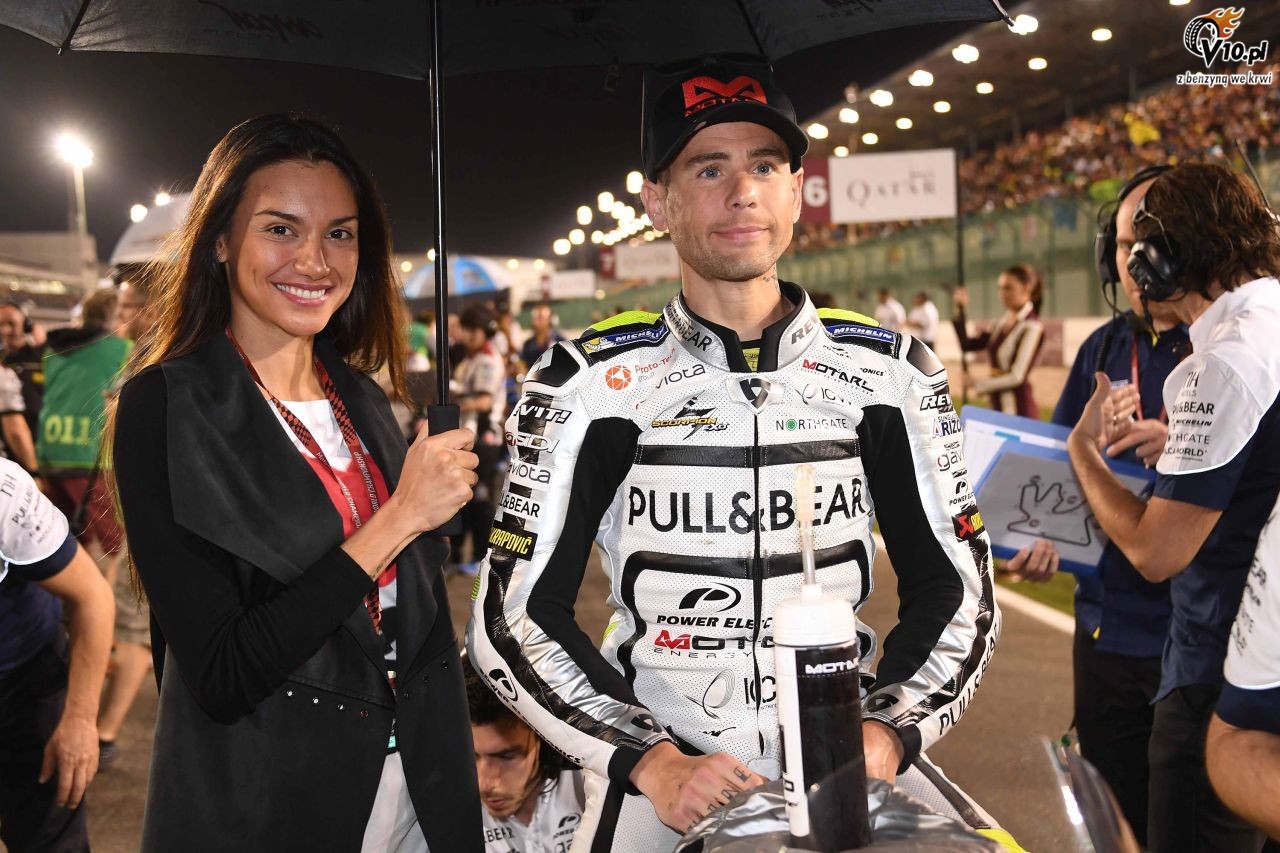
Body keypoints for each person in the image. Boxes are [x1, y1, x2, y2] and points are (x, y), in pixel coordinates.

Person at [469, 56, 1005, 853]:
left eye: (764, 166)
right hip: (664, 778)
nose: (742, 191)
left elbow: (957, 587)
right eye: (709, 167)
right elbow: (510, 615)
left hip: (849, 756)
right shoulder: (587, 385)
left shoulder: (894, 374)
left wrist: (886, 733)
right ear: (658, 201)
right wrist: (651, 760)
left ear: (797, 189)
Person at [110, 114, 482, 852]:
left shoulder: (363, 397)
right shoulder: (167, 406)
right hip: (271, 801)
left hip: (416, 792)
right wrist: (401, 516)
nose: (315, 261)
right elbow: (224, 671)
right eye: (281, 229)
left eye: (340, 233)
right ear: (220, 240)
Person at [1066, 163, 1280, 852]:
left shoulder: (1223, 360)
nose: (1132, 264)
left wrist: (1084, 452)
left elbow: (1157, 552)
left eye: (1142, 244)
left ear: (1168, 255)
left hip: (1224, 675)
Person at [1007, 165, 1183, 846]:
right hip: (1108, 639)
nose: (1137, 263)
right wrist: (1036, 544)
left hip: (1201, 643)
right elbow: (1051, 477)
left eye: (1153, 243)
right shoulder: (1101, 349)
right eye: (1125, 245)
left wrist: (1185, 446)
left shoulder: (1237, 349)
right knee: (1119, 828)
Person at [0, 457, 114, 852]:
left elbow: (92, 597)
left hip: (24, 679)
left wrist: (80, 720)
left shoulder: (4, 493)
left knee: (49, 839)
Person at [95, 265, 162, 767]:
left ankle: (105, 734)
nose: (118, 317)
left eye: (126, 306)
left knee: (135, 628)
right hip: (131, 516)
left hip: (147, 521)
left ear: (153, 307)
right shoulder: (138, 359)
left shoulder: (162, 364)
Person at [38, 288, 131, 575]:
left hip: (50, 450)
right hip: (87, 455)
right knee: (113, 546)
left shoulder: (53, 349)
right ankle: (102, 602)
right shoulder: (121, 349)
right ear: (114, 316)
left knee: (68, 542)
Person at [466, 662, 586, 853]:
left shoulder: (591, 777)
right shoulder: (445, 807)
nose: (483, 784)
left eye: (506, 756)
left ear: (544, 739)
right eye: (471, 757)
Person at [450, 305, 507, 576]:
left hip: (484, 437)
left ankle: (481, 556)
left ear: (485, 332)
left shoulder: (487, 359)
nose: (469, 334)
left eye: (474, 330)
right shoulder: (469, 356)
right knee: (464, 498)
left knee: (481, 500)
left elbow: (484, 401)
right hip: (468, 434)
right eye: (467, 328)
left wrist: (453, 402)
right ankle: (461, 556)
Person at [951, 265, 1045, 418]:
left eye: (1008, 288)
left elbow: (1017, 376)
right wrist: (960, 309)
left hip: (1018, 410)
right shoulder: (1000, 323)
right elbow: (967, 345)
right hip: (997, 406)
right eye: (1000, 288)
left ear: (1027, 287)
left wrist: (976, 383)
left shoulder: (1032, 327)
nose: (1002, 294)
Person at [0, 300, 45, 437]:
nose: (5, 330)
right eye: (1, 324)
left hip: (40, 436)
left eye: (11, 323)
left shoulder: (43, 357)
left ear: (26, 325)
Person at [518, 303, 564, 370]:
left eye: (540, 318)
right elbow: (522, 365)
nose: (535, 322)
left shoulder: (560, 343)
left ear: (550, 321)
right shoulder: (528, 345)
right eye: (534, 318)